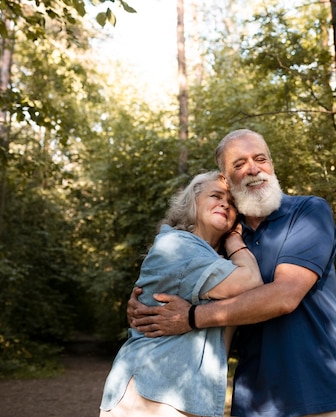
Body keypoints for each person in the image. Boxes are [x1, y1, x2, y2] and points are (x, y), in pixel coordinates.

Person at [129, 129, 336, 417]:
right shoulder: (227, 238)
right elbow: (176, 272)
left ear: (271, 165)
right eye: (239, 164)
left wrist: (190, 317)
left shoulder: (308, 211)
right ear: (225, 178)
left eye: (260, 159)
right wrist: (141, 304)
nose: (253, 169)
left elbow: (285, 296)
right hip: (252, 400)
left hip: (317, 392)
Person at [99, 170, 263, 417]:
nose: (224, 204)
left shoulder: (211, 260)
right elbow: (251, 282)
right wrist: (235, 241)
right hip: (154, 393)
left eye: (231, 203)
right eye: (216, 196)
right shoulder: (178, 245)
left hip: (177, 395)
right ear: (192, 203)